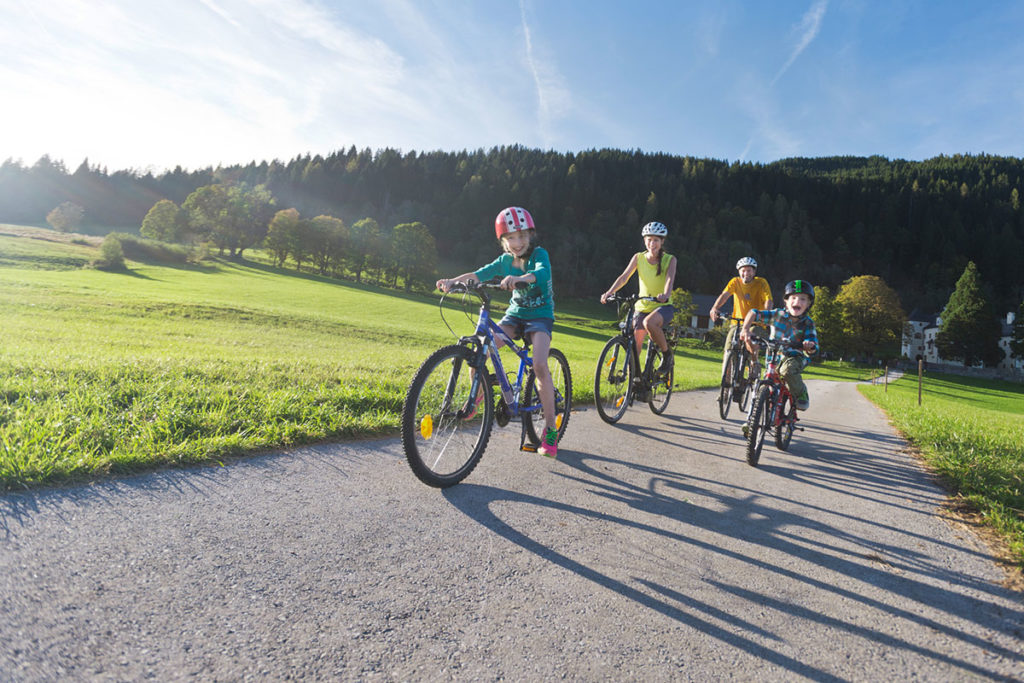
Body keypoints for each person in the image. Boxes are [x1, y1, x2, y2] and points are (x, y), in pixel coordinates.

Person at [435, 207, 560, 457]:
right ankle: (478, 395)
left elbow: (542, 273)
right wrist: (453, 282)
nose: (517, 242)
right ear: (503, 241)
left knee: (539, 364)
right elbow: (478, 274)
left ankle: (550, 429)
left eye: (522, 236)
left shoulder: (539, 254)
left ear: (530, 236)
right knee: (480, 351)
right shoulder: (504, 261)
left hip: (540, 316)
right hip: (515, 315)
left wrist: (522, 278)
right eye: (511, 238)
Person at [600, 222, 678, 375]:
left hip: (663, 306)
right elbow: (624, 277)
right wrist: (609, 292)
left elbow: (670, 279)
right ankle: (634, 379)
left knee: (649, 323)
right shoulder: (638, 257)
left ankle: (667, 355)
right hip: (642, 306)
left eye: (656, 240)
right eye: (649, 240)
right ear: (644, 241)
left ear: (662, 241)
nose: (652, 243)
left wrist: (665, 294)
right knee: (635, 346)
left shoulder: (670, 259)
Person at [740, 280, 819, 412]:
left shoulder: (808, 323)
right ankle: (757, 416)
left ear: (808, 304)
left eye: (803, 299)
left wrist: (809, 346)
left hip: (795, 358)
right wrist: (745, 329)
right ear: (786, 301)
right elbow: (753, 313)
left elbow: (813, 345)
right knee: (766, 384)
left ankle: (801, 392)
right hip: (774, 357)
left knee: (787, 371)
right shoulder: (777, 314)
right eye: (793, 298)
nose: (797, 302)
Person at [709, 257, 773, 377]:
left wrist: (767, 314)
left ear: (754, 272)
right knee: (728, 349)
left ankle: (754, 362)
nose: (746, 273)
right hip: (737, 323)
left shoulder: (761, 283)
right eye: (743, 270)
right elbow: (724, 295)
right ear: (739, 271)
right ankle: (726, 385)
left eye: (749, 270)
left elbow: (768, 300)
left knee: (750, 337)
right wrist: (715, 308)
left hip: (756, 323)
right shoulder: (735, 282)